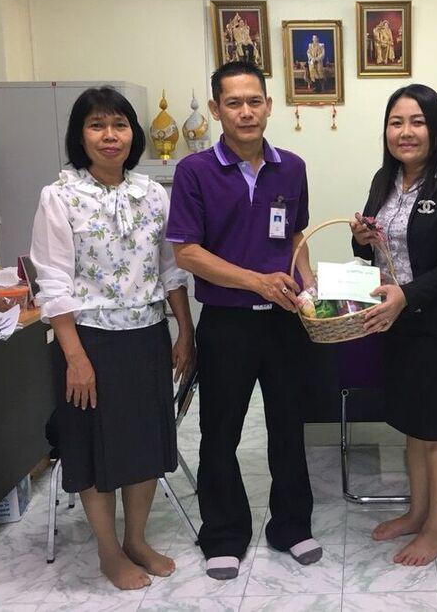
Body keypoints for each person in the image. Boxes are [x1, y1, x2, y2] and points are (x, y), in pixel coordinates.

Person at [30, 86, 194, 590]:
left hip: (147, 337)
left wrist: (184, 330)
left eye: (119, 125)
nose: (110, 135)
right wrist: (75, 357)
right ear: (80, 136)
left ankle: (136, 540)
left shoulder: (153, 194)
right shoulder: (60, 196)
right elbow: (53, 282)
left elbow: (170, 270)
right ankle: (108, 551)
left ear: (133, 133)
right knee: (95, 449)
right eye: (97, 125)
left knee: (144, 445)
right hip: (88, 342)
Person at [166, 60, 321, 580]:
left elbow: (295, 235)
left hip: (284, 322)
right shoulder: (194, 172)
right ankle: (224, 534)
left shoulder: (292, 167)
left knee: (288, 428)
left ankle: (291, 526)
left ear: (268, 106)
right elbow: (187, 253)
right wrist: (257, 281)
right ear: (216, 109)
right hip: (227, 324)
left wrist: (308, 283)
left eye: (255, 101)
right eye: (233, 103)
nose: (246, 112)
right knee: (220, 432)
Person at [350, 84, 437, 567]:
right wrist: (361, 239)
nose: (405, 132)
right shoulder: (383, 179)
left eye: (417, 121)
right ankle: (416, 512)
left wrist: (408, 295)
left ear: (436, 127)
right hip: (396, 324)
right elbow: (377, 251)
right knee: (412, 426)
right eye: (396, 122)